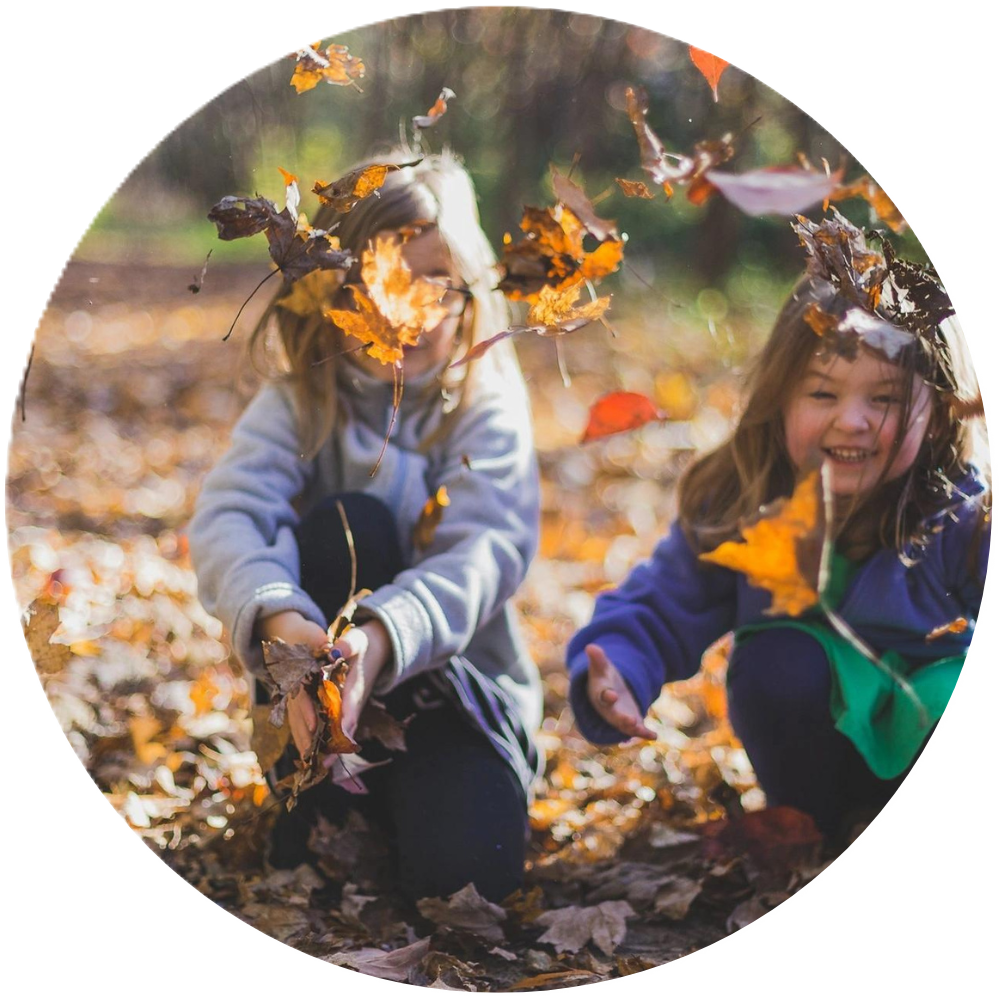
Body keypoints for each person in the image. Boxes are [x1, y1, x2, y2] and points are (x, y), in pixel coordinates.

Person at [189, 150, 542, 903]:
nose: (406, 312)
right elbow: (230, 514)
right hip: (316, 711)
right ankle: (320, 794)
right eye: (378, 282)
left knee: (468, 882)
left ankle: (433, 803)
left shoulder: (482, 404)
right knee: (348, 522)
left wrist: (378, 641)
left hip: (456, 704)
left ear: (467, 291)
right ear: (329, 291)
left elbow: (486, 549)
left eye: (431, 285)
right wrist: (284, 620)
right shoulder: (299, 404)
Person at [567, 218, 990, 838]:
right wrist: (619, 670)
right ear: (780, 397)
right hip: (813, 757)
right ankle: (816, 828)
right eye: (823, 394)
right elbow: (660, 605)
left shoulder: (962, 519)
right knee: (777, 659)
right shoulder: (748, 503)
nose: (853, 420)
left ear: (940, 408)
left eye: (885, 400)